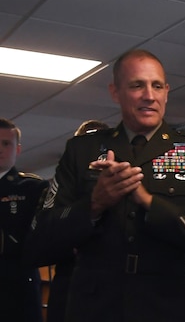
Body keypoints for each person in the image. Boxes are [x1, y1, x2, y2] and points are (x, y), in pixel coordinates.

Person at [25, 49, 185, 322]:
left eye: (157, 86)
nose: (149, 95)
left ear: (166, 92)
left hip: (166, 306)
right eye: (137, 85)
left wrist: (149, 202)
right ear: (115, 92)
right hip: (94, 307)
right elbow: (40, 239)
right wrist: (95, 204)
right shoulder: (81, 150)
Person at [44, 120, 110, 322]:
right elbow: (43, 240)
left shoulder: (121, 185)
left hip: (109, 285)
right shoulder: (64, 191)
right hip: (69, 280)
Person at [0, 118, 49, 322]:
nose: (0, 149)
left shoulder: (33, 189)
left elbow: (43, 240)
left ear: (17, 149)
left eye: (6, 143)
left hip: (16, 289)